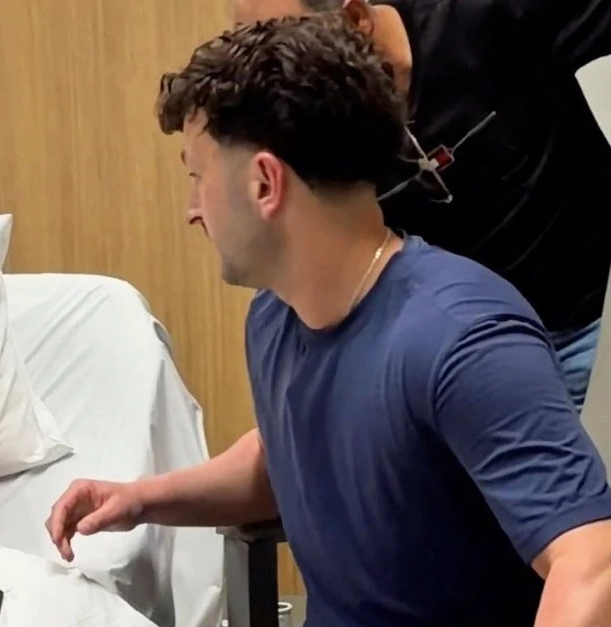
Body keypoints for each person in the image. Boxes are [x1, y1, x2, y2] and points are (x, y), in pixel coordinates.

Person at [46, 15, 611, 627]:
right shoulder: (275, 318)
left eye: (197, 178)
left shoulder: (462, 340)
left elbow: (592, 564)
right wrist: (140, 500)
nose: (192, 210)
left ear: (265, 183)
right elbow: (287, 459)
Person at [230, 0, 611, 411]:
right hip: (471, 364)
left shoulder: (482, 15)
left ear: (356, 19)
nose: (275, 79)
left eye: (287, 48)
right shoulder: (307, 129)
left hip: (586, 320)